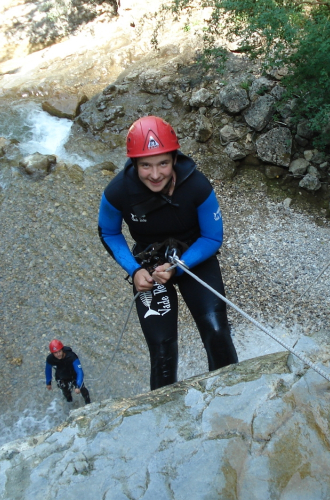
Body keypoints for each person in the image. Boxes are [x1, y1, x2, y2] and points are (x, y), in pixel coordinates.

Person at [97, 115, 239, 390]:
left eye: (163, 163)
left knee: (217, 331)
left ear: (175, 158)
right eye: (145, 165)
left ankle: (230, 395)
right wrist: (134, 270)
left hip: (193, 257)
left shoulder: (196, 185)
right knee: (162, 350)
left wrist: (180, 265)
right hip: (148, 264)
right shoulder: (118, 192)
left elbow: (212, 236)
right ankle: (165, 415)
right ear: (134, 164)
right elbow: (109, 232)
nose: (155, 174)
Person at [45, 339, 91, 404]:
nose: (58, 354)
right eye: (55, 353)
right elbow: (48, 370)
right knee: (66, 393)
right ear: (52, 353)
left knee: (83, 389)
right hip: (61, 378)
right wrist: (48, 382)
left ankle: (88, 403)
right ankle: (71, 405)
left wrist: (78, 385)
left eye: (59, 351)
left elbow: (79, 371)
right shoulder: (50, 359)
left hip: (73, 376)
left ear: (62, 350)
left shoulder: (71, 356)